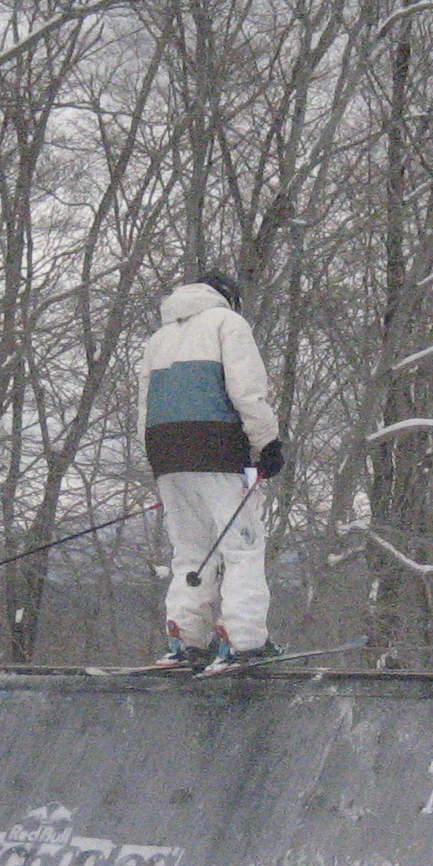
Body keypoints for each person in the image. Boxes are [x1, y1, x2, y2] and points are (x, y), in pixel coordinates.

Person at [142, 270, 284, 670]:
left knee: (191, 550)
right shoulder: (228, 323)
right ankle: (244, 639)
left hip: (166, 454)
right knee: (242, 547)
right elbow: (247, 390)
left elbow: (143, 406)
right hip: (217, 449)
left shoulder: (158, 339)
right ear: (227, 298)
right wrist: (266, 443)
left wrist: (159, 461)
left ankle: (186, 636)